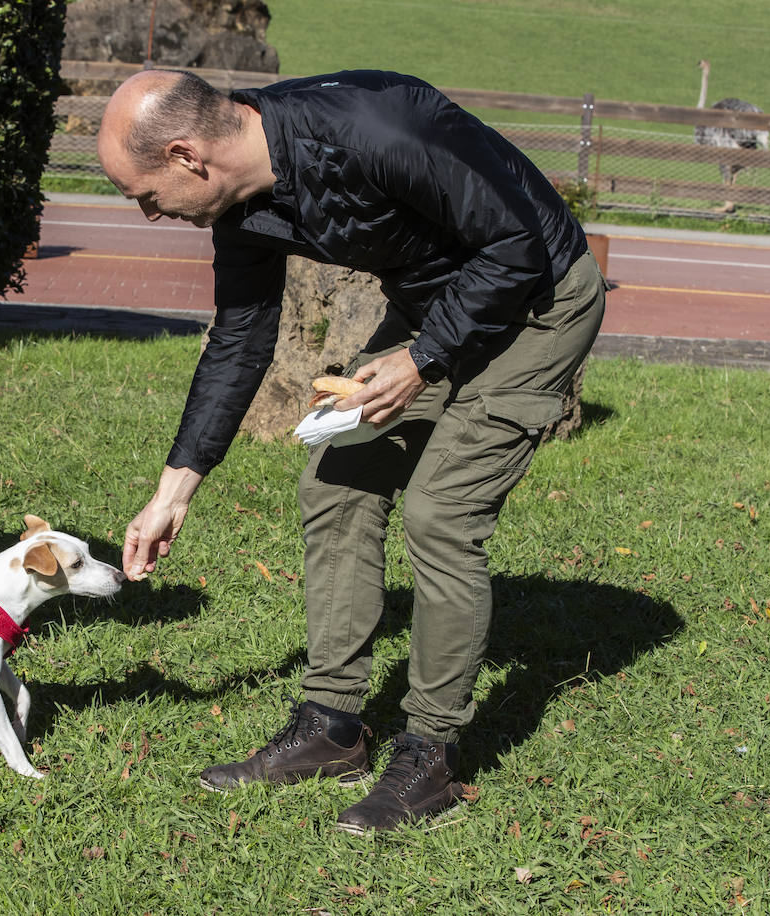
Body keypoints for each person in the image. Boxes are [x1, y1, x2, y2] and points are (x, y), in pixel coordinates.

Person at [97, 68, 605, 833]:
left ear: (187, 156)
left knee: (440, 513)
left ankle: (428, 754)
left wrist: (423, 357)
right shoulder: (244, 205)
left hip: (538, 299)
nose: (147, 213)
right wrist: (175, 490)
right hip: (435, 304)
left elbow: (515, 247)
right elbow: (240, 340)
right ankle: (333, 728)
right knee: (336, 481)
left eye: (144, 194)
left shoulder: (376, 131)